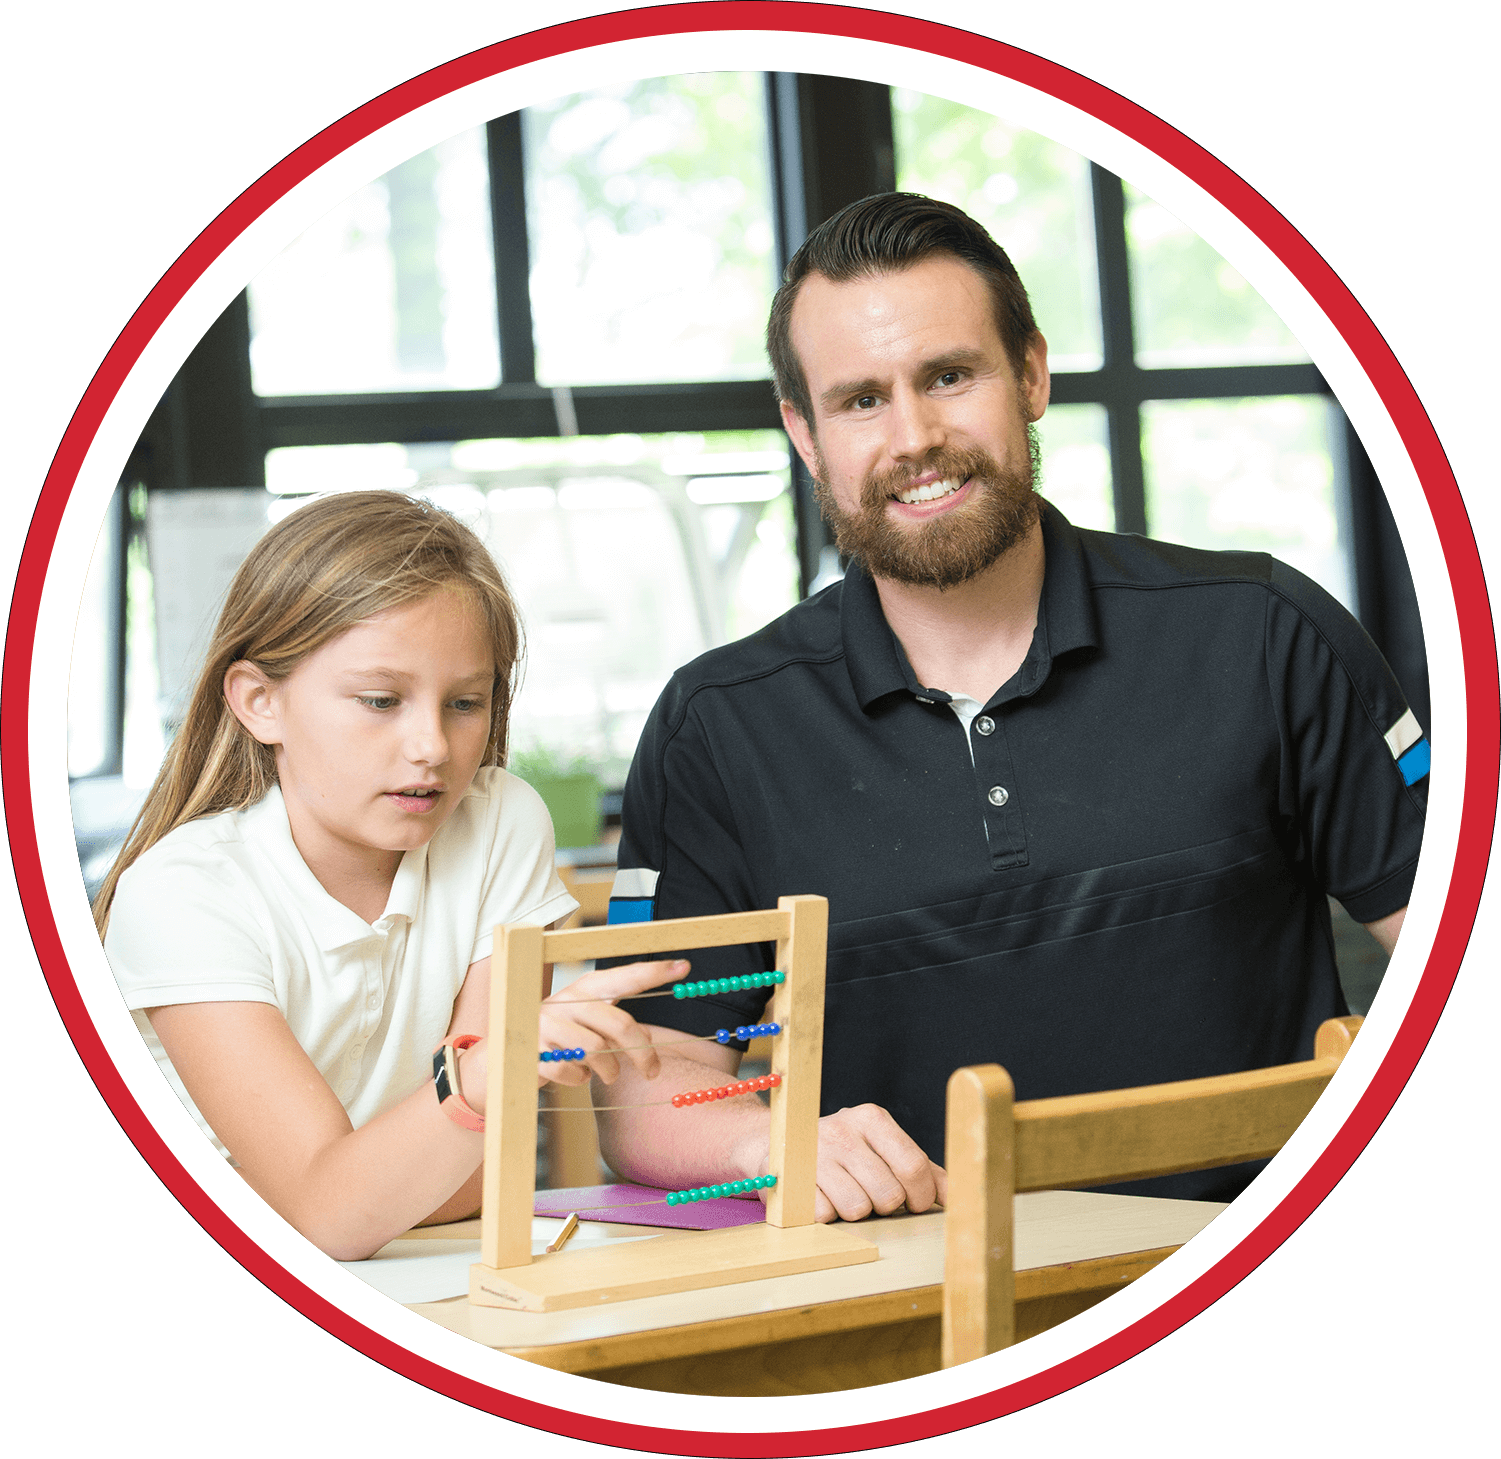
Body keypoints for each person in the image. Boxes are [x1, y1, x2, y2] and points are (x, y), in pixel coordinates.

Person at [594, 193, 1426, 1219]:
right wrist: (769, 1140)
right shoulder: (717, 728)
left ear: (1029, 373)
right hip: (911, 1314)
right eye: (860, 400)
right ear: (804, 436)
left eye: (949, 375)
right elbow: (646, 1076)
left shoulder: (1265, 633)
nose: (916, 437)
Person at [97, 491, 686, 1261]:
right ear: (259, 701)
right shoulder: (181, 893)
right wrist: (472, 1095)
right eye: (379, 700)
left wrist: (397, 1164)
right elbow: (327, 1214)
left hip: (413, 1276)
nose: (431, 746)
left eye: (465, 702)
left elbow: (483, 1178)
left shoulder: (500, 821)